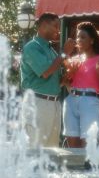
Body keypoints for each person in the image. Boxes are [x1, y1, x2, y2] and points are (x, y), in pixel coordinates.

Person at [20, 13, 74, 147]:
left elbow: (51, 79)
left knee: (51, 152)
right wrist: (64, 53)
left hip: (53, 103)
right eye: (55, 26)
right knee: (35, 150)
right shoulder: (32, 47)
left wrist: (65, 79)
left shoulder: (51, 50)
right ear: (43, 26)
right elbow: (45, 72)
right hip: (37, 103)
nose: (58, 30)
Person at [62, 21, 99, 148]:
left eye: (83, 37)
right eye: (77, 37)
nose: (78, 40)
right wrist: (70, 72)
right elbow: (63, 83)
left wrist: (98, 70)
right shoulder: (74, 60)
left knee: (88, 145)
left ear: (92, 40)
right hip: (70, 101)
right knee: (72, 145)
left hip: (90, 101)